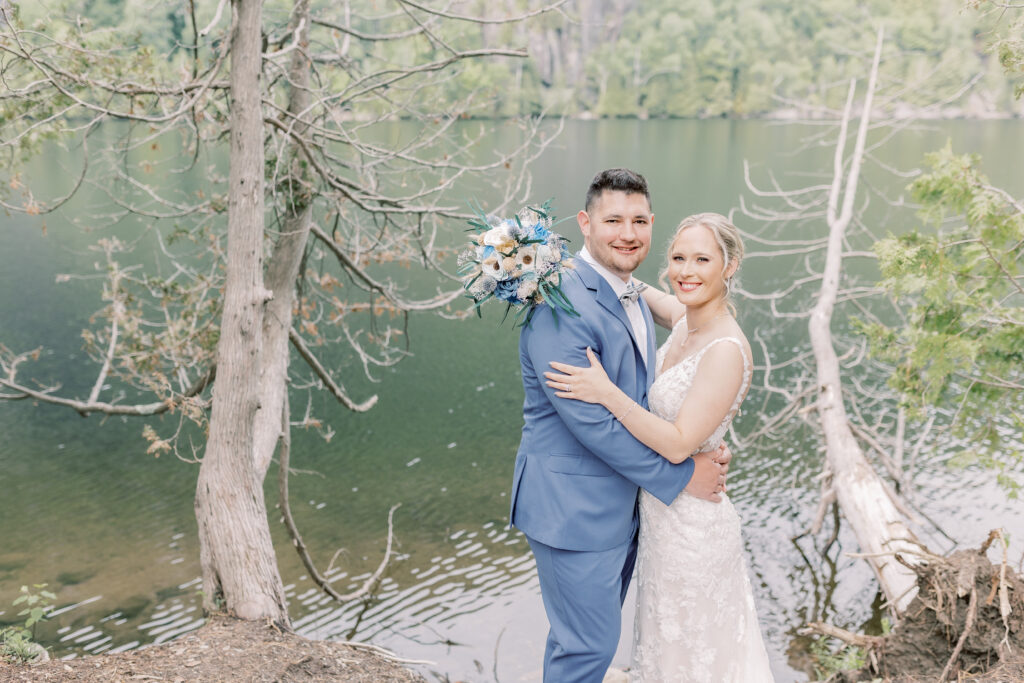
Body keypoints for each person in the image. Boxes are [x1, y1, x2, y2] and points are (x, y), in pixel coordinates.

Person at [509, 169, 730, 683]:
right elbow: (594, 426)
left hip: (621, 505)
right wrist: (681, 475)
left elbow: (689, 347)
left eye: (637, 221)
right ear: (585, 223)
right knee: (586, 648)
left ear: (652, 224)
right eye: (612, 220)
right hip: (574, 508)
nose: (626, 233)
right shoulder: (560, 304)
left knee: (589, 642)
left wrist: (707, 437)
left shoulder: (627, 289)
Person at [544, 212, 774, 682]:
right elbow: (630, 287)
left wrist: (606, 391)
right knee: (663, 649)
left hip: (694, 528)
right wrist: (553, 263)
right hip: (661, 520)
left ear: (730, 266)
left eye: (702, 259)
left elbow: (677, 444)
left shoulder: (725, 349)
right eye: (678, 258)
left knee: (696, 653)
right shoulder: (684, 320)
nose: (686, 271)